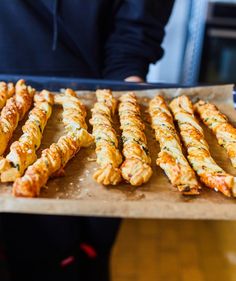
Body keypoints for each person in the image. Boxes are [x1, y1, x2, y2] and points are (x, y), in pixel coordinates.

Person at [0, 1, 174, 280]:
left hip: (95, 99)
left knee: (68, 261)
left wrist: (129, 96)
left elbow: (134, 35)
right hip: (9, 95)